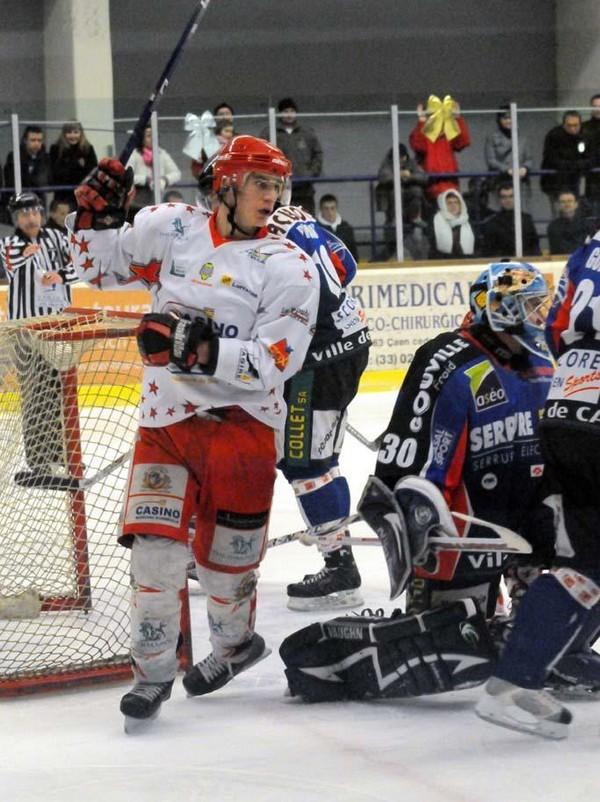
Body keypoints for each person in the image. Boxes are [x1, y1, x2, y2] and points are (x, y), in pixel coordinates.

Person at [67, 136, 320, 726]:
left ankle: (235, 645)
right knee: (154, 557)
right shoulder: (170, 227)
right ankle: (152, 675)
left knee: (223, 570)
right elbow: (94, 267)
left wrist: (201, 351)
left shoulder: (289, 266)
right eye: (260, 183)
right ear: (225, 185)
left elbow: (276, 361)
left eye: (278, 185)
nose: (272, 196)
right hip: (167, 422)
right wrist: (96, 216)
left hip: (243, 432)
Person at [279, 262, 557, 704]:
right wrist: (415, 521)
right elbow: (408, 462)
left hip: (526, 520)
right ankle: (348, 657)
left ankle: (523, 624)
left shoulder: (544, 359)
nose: (541, 316)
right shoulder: (448, 359)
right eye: (530, 306)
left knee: (543, 637)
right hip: (466, 531)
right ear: (500, 309)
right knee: (451, 645)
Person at [476, 228, 600, 738]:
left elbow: (552, 326)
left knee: (588, 563)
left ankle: (516, 679)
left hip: (565, 406)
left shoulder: (591, 244)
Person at [267, 202, 370, 611]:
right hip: (349, 345)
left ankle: (340, 566)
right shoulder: (298, 218)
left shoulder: (264, 231)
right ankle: (338, 554)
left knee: (303, 463)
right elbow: (346, 267)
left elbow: (314, 294)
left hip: (319, 360)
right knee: (321, 459)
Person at [0, 192, 78, 478]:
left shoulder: (58, 239)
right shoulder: (9, 244)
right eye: (23, 214)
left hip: (57, 329)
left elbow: (79, 264)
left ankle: (61, 455)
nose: (30, 218)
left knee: (59, 393)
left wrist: (60, 275)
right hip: (27, 332)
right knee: (35, 396)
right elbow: (11, 264)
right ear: (15, 219)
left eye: (33, 211)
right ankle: (39, 462)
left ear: (41, 213)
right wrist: (25, 254)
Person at [260, 98, 323, 214]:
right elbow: (261, 155)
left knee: (306, 220)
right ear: (280, 113)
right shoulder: (269, 132)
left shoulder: (307, 133)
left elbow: (318, 154)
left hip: (305, 189)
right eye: (285, 111)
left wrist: (311, 174)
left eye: (291, 111)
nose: (289, 114)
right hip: (279, 187)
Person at [409, 94, 471, 201]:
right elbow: (418, 146)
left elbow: (463, 142)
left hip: (451, 185)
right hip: (431, 186)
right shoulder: (423, 135)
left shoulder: (448, 135)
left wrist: (458, 118)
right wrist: (421, 122)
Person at [375, 143, 428, 259]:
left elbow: (423, 176)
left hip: (409, 198)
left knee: (417, 191)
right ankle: (395, 218)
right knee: (396, 191)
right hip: (392, 199)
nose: (400, 160)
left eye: (402, 157)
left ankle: (415, 217)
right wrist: (397, 175)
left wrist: (410, 176)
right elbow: (383, 177)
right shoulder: (387, 163)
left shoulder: (411, 162)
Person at [126, 125, 182, 221]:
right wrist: (145, 180)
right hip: (137, 201)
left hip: (156, 200)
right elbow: (126, 174)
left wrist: (164, 180)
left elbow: (177, 173)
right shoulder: (135, 153)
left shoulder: (161, 153)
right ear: (141, 138)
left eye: (154, 135)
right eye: (148, 135)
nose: (152, 138)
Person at [540, 111, 591, 212]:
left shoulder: (585, 136)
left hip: (574, 181)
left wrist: (578, 165)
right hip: (555, 181)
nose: (572, 128)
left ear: (580, 124)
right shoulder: (554, 135)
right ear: (563, 124)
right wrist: (574, 165)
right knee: (559, 211)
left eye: (575, 125)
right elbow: (551, 158)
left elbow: (590, 157)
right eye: (569, 125)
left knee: (575, 212)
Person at [481, 184, 541, 257]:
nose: (508, 200)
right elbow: (489, 252)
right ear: (499, 200)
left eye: (511, 196)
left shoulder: (527, 220)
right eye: (504, 197)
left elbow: (535, 247)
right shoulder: (492, 223)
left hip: (525, 264)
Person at [484, 103, 532, 190]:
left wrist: (525, 168)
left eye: (510, 118)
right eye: (505, 118)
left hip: (520, 181)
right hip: (499, 180)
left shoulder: (523, 138)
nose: (508, 121)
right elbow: (491, 161)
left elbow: (529, 159)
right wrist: (507, 170)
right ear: (499, 120)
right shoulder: (492, 137)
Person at [49, 122, 98, 205]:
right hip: (63, 194)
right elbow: (54, 172)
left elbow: (93, 171)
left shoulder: (88, 149)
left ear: (81, 133)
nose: (72, 136)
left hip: (83, 194)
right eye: (69, 132)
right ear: (64, 134)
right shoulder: (56, 149)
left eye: (75, 132)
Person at [3, 126, 52, 204]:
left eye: (39, 140)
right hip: (17, 200)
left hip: (38, 201)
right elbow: (11, 181)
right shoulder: (14, 156)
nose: (36, 143)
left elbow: (46, 181)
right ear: (25, 140)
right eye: (33, 140)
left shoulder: (46, 158)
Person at [427, 188, 475, 259]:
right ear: (443, 205)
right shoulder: (435, 222)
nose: (453, 205)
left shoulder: (468, 222)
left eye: (456, 202)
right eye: (449, 203)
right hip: (441, 261)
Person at [547, 190, 595, 254]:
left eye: (570, 201)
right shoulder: (553, 226)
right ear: (558, 205)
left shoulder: (587, 225)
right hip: (560, 261)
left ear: (576, 204)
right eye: (563, 202)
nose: (567, 204)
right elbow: (558, 248)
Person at [316, 193, 359, 261]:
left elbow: (353, 254)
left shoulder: (346, 228)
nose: (329, 212)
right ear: (321, 209)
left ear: (336, 208)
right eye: (326, 208)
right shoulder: (315, 228)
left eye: (332, 208)